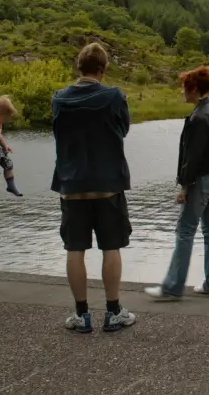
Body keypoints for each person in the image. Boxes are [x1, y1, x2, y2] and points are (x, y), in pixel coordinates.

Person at [51, 43, 137, 333]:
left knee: (75, 249)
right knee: (110, 247)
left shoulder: (59, 99)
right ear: (103, 68)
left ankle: (81, 314)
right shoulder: (114, 96)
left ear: (79, 67)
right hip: (107, 184)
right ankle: (113, 312)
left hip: (71, 185)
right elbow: (123, 129)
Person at [145, 66, 209, 301]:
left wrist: (185, 186)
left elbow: (192, 158)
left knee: (185, 230)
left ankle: (172, 287)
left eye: (184, 87)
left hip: (201, 179)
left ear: (193, 88)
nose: (182, 91)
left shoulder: (198, 117)